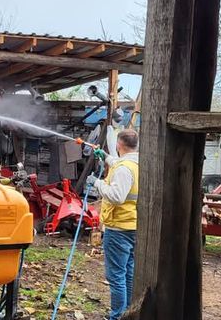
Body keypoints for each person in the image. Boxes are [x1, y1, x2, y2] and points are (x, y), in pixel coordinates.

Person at [86, 129, 139, 320]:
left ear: (119, 144)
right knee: (128, 272)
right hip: (132, 226)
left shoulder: (124, 169)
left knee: (116, 275)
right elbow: (119, 164)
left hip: (119, 228)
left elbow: (117, 196)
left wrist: (97, 183)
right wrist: (106, 157)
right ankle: (130, 312)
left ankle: (117, 316)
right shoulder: (137, 162)